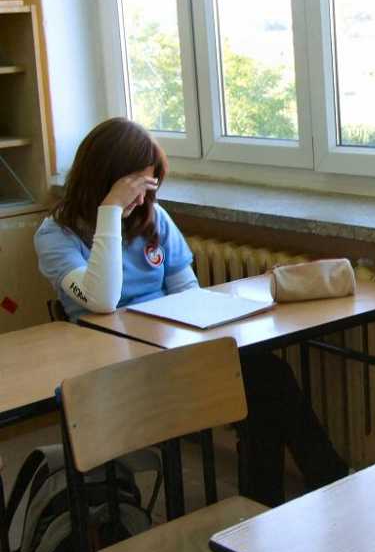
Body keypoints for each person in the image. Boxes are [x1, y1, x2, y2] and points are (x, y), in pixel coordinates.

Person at [34, 117, 348, 505]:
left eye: (148, 189)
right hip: (113, 371)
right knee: (262, 390)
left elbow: (187, 293)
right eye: (133, 189)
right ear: (104, 180)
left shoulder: (154, 218)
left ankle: (296, 492)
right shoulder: (55, 235)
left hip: (169, 354)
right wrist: (110, 211)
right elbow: (102, 300)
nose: (141, 201)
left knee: (267, 375)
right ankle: (286, 494)